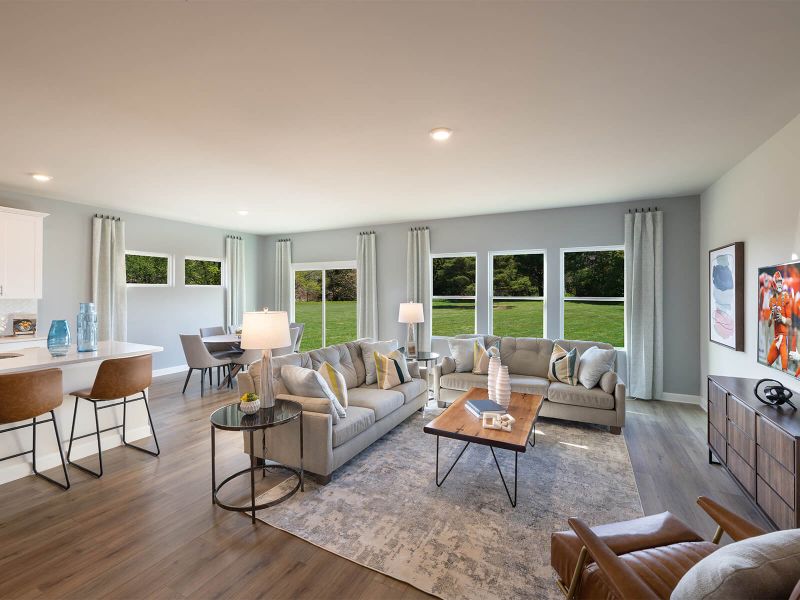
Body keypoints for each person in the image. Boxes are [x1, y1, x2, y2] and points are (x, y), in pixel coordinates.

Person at [767, 271, 792, 371]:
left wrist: (781, 318)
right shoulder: (771, 300)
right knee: (767, 363)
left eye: (780, 282)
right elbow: (769, 324)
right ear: (774, 283)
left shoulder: (785, 297)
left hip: (783, 338)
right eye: (778, 282)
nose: (780, 284)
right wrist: (771, 316)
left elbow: (789, 321)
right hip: (776, 338)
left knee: (784, 368)